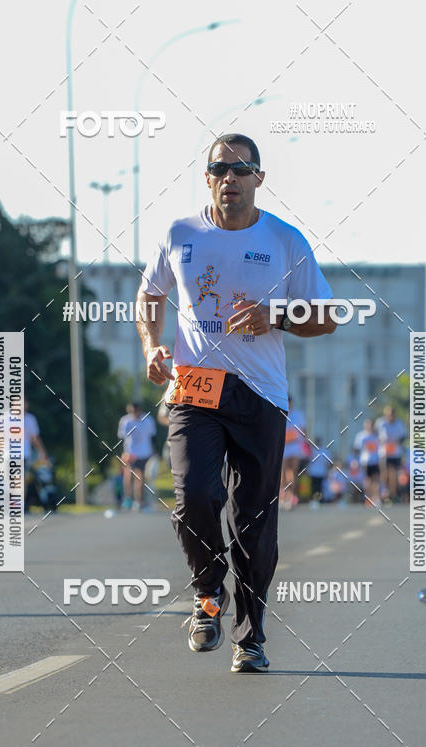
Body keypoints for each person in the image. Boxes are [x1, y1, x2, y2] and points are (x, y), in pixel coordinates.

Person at [135, 133, 336, 672]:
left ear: (259, 180)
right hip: (195, 389)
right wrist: (153, 346)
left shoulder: (285, 241)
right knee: (195, 496)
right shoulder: (180, 233)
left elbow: (326, 316)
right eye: (220, 169)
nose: (231, 178)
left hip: (261, 395)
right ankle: (207, 596)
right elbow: (151, 295)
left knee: (253, 521)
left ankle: (251, 637)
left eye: (242, 169)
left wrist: (275, 317)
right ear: (207, 178)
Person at [117, 402, 157, 510]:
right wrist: (122, 452)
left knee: (140, 477)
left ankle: (139, 500)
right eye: (131, 412)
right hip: (130, 452)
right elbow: (121, 438)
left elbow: (153, 437)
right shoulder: (125, 421)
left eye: (135, 411)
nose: (133, 414)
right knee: (128, 475)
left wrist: (154, 452)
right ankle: (128, 499)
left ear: (139, 410)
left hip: (144, 452)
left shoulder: (148, 420)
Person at [375, 404, 406, 502]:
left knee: (394, 475)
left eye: (392, 415)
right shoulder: (381, 422)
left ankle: (392, 494)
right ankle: (382, 493)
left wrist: (397, 442)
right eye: (388, 414)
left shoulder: (399, 424)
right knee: (384, 474)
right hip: (384, 453)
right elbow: (374, 434)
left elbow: (403, 436)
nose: (390, 416)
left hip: (395, 453)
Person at [280, 396, 307, 509]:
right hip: (284, 447)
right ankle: (284, 495)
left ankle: (292, 496)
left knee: (293, 471)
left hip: (295, 446)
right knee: (284, 472)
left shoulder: (298, 414)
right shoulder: (280, 412)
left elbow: (304, 430)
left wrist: (306, 443)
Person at [353, 418, 381, 505]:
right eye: (367, 425)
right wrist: (355, 460)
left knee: (375, 480)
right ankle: (368, 497)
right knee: (367, 481)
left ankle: (375, 497)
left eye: (370, 425)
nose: (369, 427)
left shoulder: (376, 436)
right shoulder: (361, 436)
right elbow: (356, 449)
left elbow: (381, 448)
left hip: (375, 461)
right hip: (365, 462)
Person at [306, 436, 330, 508]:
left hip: (321, 473)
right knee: (313, 487)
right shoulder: (312, 450)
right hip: (313, 472)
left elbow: (328, 463)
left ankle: (318, 500)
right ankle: (313, 500)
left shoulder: (325, 450)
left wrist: (327, 472)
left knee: (319, 488)